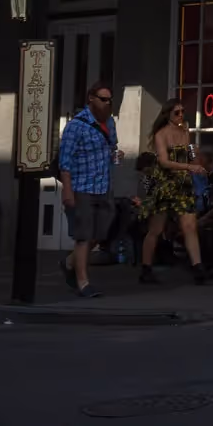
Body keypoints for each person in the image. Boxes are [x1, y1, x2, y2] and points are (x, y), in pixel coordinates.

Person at [57, 80, 121, 299]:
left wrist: (116, 156)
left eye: (109, 100)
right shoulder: (76, 125)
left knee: (101, 232)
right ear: (91, 99)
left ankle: (69, 262)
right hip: (81, 186)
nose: (107, 103)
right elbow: (64, 161)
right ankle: (83, 282)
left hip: (103, 185)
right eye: (103, 99)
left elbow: (112, 147)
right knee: (83, 236)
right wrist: (67, 190)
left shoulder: (110, 123)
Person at [138, 100, 210, 285]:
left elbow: (189, 153)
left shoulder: (184, 130)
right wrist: (188, 166)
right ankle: (146, 267)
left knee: (189, 226)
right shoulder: (161, 134)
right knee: (156, 229)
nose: (181, 115)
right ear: (168, 114)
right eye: (176, 112)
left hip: (183, 184)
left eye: (182, 111)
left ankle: (198, 267)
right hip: (165, 184)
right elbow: (163, 161)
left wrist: (196, 164)